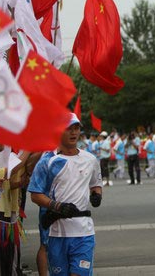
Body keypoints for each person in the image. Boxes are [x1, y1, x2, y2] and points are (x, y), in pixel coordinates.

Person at [28, 114, 103, 276]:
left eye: (76, 128)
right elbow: (35, 195)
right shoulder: (47, 161)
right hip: (57, 233)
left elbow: (95, 183)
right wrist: (57, 206)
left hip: (84, 232)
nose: (73, 132)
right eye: (68, 128)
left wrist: (97, 195)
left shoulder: (90, 159)